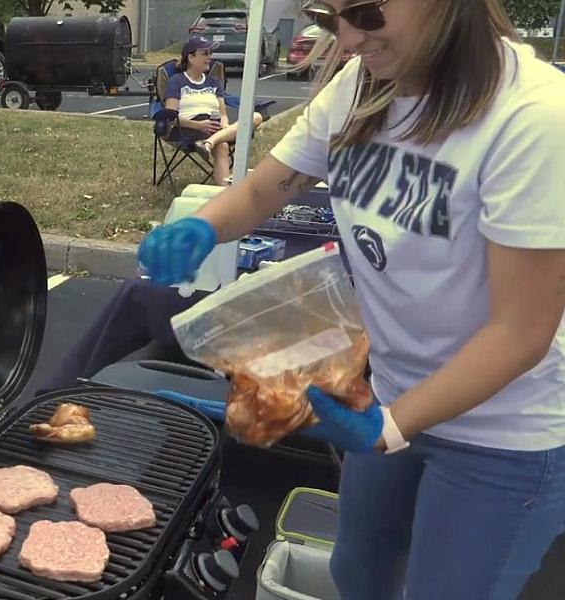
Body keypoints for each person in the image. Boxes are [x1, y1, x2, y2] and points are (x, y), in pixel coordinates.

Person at [138, 1, 565, 598]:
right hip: (390, 396)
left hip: (501, 435)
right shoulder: (363, 85)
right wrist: (204, 226)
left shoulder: (534, 117)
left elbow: (521, 332)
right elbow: (265, 187)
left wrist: (390, 428)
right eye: (327, 13)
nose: (344, 36)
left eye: (363, 11)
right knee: (358, 573)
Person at [164, 36, 263, 186]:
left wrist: (224, 124)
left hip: (214, 127)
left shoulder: (214, 82)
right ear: (190, 57)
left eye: (210, 53)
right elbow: (170, 117)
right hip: (188, 129)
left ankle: (209, 143)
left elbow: (222, 113)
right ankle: (226, 193)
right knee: (222, 146)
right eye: (205, 53)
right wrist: (198, 125)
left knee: (256, 116)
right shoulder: (177, 81)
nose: (210, 57)